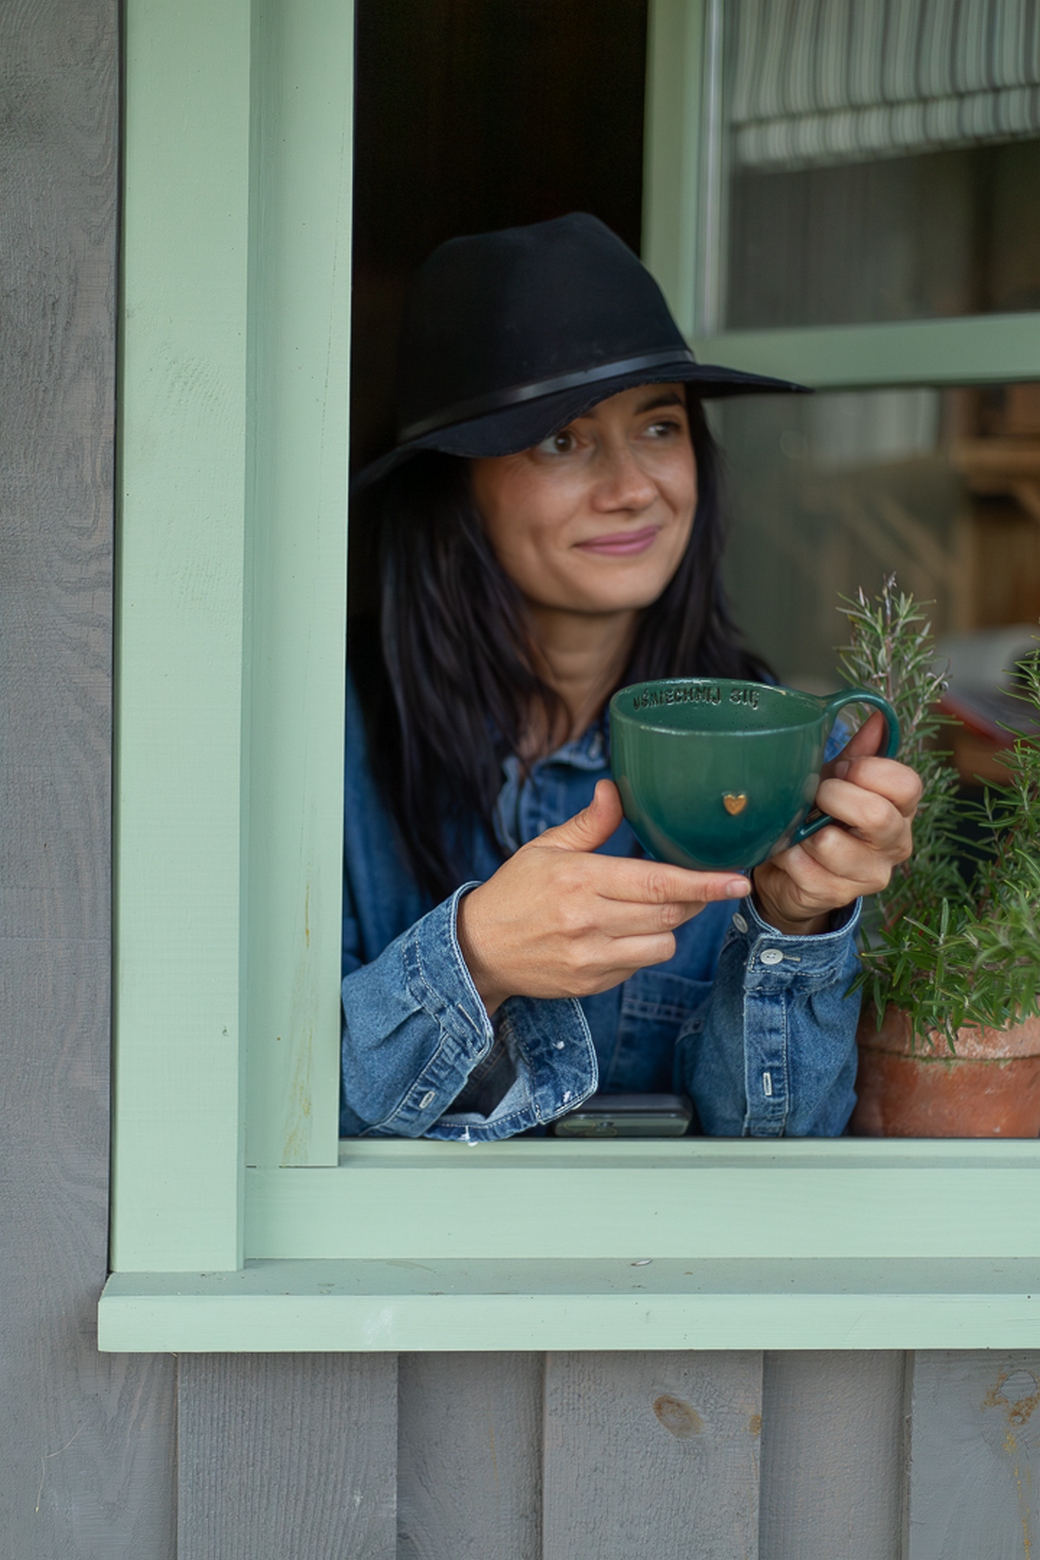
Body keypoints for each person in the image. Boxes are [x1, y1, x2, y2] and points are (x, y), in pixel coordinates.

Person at [341, 213, 920, 1141]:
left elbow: (781, 1151)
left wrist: (799, 926)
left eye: (659, 425)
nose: (631, 486)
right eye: (561, 441)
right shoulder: (325, 740)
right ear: (451, 485)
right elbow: (264, 1127)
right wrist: (477, 957)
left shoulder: (782, 755)